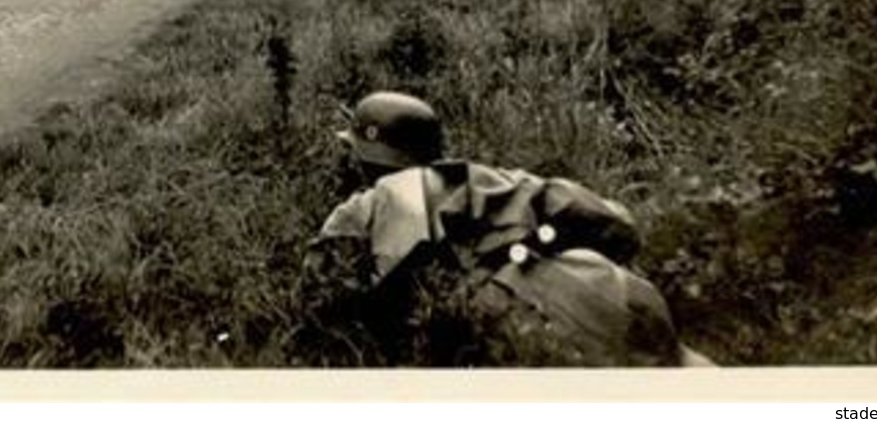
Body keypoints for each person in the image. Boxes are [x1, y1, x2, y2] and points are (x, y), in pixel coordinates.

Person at [301, 91, 709, 367]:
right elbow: (618, 225)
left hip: (515, 328)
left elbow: (319, 307)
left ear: (366, 159)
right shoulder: (496, 179)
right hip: (608, 292)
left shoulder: (362, 207)